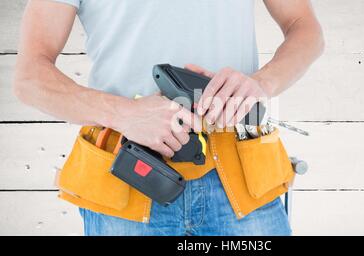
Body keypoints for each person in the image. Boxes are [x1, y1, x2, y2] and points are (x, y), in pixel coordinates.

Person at [14, 0, 324, 236]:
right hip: (131, 179)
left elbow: (304, 26)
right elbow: (30, 78)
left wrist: (262, 84)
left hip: (242, 179)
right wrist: (125, 114)